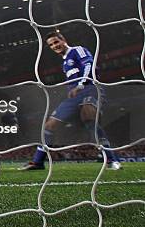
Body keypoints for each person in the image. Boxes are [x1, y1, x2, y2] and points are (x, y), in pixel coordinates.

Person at [20, 31, 121, 170]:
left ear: (63, 40)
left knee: (89, 118)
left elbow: (88, 64)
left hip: (89, 89)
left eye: (56, 42)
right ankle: (38, 162)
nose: (55, 46)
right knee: (49, 125)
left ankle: (112, 160)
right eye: (51, 45)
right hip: (75, 96)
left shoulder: (77, 50)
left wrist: (81, 84)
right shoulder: (65, 63)